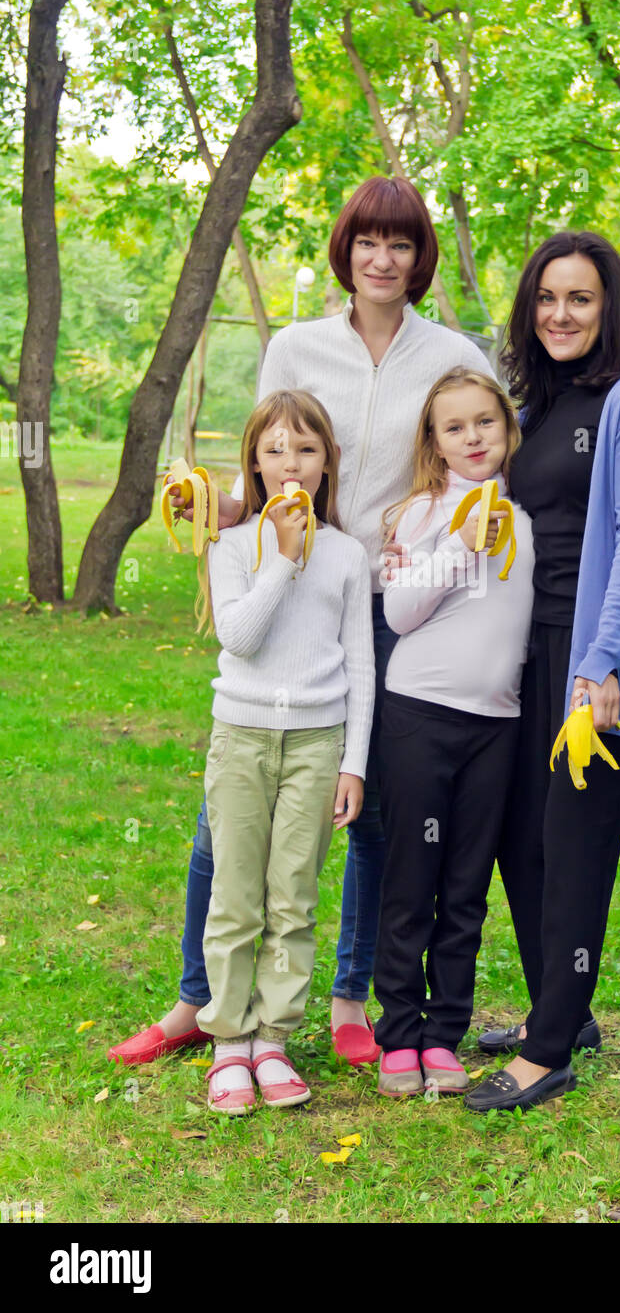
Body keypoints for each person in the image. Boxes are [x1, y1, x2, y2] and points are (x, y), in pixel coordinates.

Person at [107, 176, 491, 1070]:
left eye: (401, 244)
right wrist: (216, 506)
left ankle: (348, 998)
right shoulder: (296, 344)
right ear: (346, 251)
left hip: (393, 601)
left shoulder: (450, 352)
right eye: (368, 242)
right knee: (224, 822)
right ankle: (197, 1002)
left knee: (369, 809)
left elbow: (473, 465)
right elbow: (266, 452)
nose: (383, 259)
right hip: (291, 584)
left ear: (420, 257)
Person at [464, 231, 620, 1113]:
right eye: (547, 298)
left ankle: (549, 1050)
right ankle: (566, 1006)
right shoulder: (538, 404)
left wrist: (606, 657)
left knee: (576, 851)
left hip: (590, 667)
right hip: (527, 651)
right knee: (524, 840)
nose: (560, 313)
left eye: (579, 299)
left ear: (609, 308)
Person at [196, 389, 374, 1113]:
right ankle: (229, 1042)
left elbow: (361, 665)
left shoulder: (347, 555)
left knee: (292, 899)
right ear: (255, 462)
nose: (290, 464)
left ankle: (273, 1039)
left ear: (328, 459)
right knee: (236, 896)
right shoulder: (232, 544)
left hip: (316, 742)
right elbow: (239, 637)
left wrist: (354, 761)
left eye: (306, 448)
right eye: (274, 450)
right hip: (241, 738)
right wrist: (282, 558)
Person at [372, 369, 534, 1098]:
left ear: (507, 427)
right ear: (434, 445)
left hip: (496, 724)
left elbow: (564, 592)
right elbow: (402, 615)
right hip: (419, 713)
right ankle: (398, 1034)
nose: (474, 438)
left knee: (466, 885)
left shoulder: (530, 513)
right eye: (455, 428)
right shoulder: (421, 514)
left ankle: (445, 1034)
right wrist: (461, 539)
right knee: (414, 879)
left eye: (485, 423)